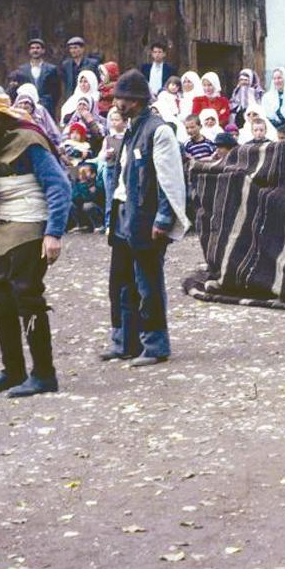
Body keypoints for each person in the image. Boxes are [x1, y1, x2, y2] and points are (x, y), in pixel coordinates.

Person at [0, 84, 70, 397]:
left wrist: (53, 233)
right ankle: (13, 370)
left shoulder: (28, 140)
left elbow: (59, 187)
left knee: (27, 297)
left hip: (29, 229)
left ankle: (43, 374)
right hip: (3, 231)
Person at [100, 70, 188, 366]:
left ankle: (155, 345)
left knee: (147, 282)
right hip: (125, 215)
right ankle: (125, 342)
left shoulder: (158, 131)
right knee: (120, 281)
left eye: (120, 99)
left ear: (134, 101)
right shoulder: (132, 129)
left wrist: (163, 218)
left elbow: (169, 179)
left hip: (145, 218)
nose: (116, 104)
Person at [17, 38, 62, 117]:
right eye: (32, 48)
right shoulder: (22, 70)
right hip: (27, 108)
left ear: (43, 50)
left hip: (46, 107)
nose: (35, 50)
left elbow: (56, 91)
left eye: (38, 48)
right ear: (29, 51)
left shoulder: (51, 69)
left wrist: (47, 102)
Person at [70, 162, 104, 233]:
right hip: (84, 212)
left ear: (93, 174)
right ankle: (81, 225)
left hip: (98, 211)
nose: (83, 174)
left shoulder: (97, 184)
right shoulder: (78, 184)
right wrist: (81, 184)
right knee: (70, 204)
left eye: (86, 172)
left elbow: (89, 198)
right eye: (81, 172)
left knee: (88, 205)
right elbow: (74, 198)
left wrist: (85, 185)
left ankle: (99, 226)